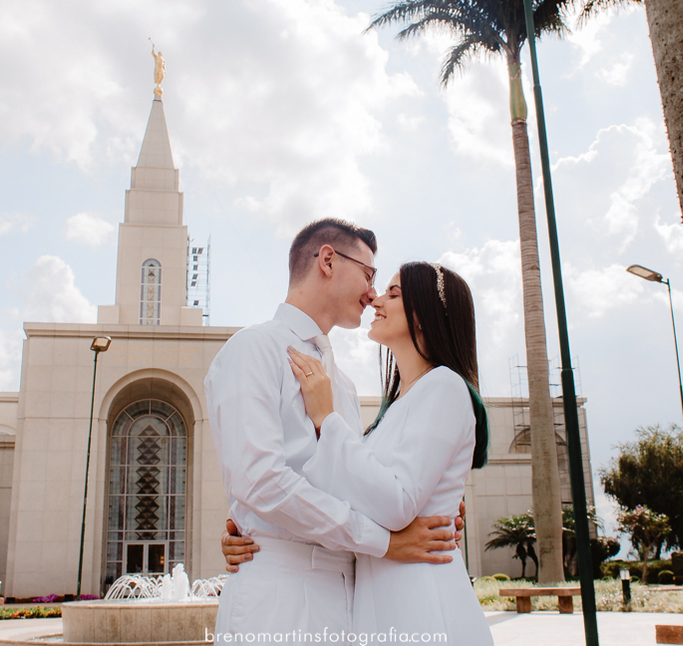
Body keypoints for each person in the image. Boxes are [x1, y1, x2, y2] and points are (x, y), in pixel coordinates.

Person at [204, 219, 462, 645]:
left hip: (355, 598)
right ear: (327, 260)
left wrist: (436, 504)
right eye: (369, 274)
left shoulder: (341, 384)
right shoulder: (254, 348)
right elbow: (261, 481)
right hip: (282, 597)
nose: (372, 293)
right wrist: (381, 541)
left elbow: (358, 482)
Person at [285, 261, 494, 644]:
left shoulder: (445, 387)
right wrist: (257, 527)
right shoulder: (395, 408)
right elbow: (356, 493)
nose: (377, 300)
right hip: (383, 600)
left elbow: (397, 503)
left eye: (394, 294)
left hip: (420, 602)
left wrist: (326, 418)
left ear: (427, 314)